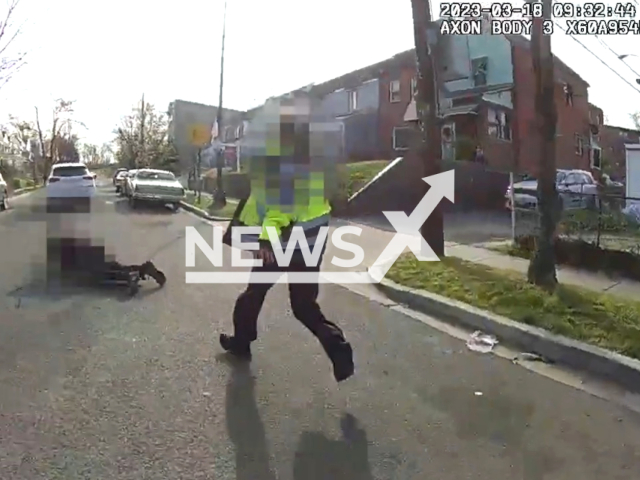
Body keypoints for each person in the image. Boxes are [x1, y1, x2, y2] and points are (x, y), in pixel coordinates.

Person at [219, 94, 355, 382]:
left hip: (283, 241)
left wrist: (266, 241)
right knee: (304, 306)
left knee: (253, 294)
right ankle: (337, 345)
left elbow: (280, 206)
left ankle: (242, 343)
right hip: (310, 242)